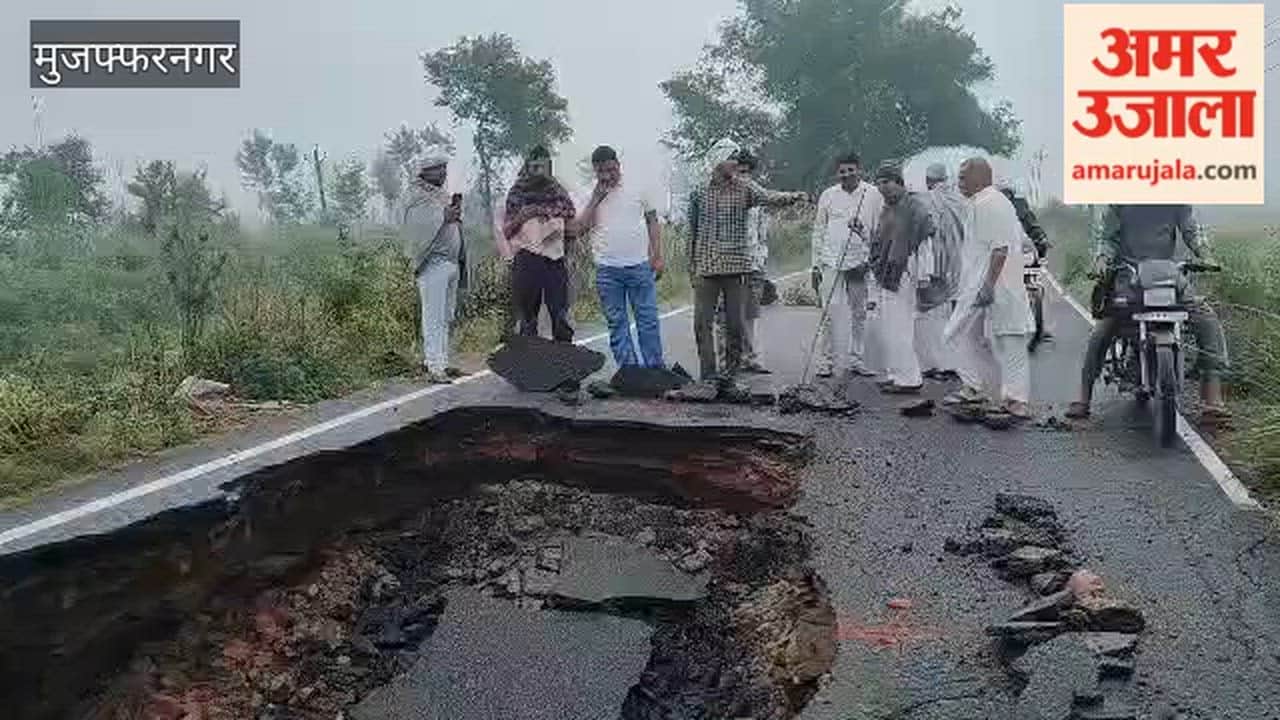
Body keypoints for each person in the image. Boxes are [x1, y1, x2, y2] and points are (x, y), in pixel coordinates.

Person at [1065, 204, 1230, 425]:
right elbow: (1106, 238)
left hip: (1167, 275)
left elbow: (1193, 231)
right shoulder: (1119, 202)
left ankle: (1212, 397)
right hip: (1128, 275)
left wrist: (1206, 255)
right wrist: (1102, 260)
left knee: (1206, 319)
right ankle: (1084, 397)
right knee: (1103, 329)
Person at [687, 138, 808, 384]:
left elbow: (769, 197)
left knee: (735, 326)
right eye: (731, 158)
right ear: (717, 160)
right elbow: (692, 231)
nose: (735, 163)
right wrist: (691, 267)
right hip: (706, 269)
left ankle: (730, 376)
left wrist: (795, 196)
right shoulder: (699, 192)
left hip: (736, 269)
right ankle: (708, 376)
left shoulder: (746, 188)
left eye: (736, 158)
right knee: (702, 325)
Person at [943, 157, 1035, 418]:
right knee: (962, 335)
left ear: (980, 178)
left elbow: (1000, 249)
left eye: (963, 177)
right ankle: (974, 388)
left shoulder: (991, 203)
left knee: (1010, 338)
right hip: (980, 282)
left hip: (996, 285)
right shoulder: (980, 203)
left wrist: (987, 285)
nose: (958, 182)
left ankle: (1015, 401)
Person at [574, 145, 666, 368]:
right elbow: (579, 229)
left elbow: (652, 221)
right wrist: (596, 198)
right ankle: (629, 370)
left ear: (618, 165)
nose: (608, 176)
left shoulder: (639, 186)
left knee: (648, 320)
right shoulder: (589, 193)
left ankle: (655, 367)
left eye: (611, 170)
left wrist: (658, 255)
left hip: (639, 266)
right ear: (595, 171)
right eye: (602, 172)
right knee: (617, 322)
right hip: (607, 269)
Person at [809, 152, 884, 380]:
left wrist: (870, 258)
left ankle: (856, 360)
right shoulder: (828, 195)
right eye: (842, 171)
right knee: (828, 312)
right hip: (831, 261)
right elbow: (819, 230)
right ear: (837, 173)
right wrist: (815, 265)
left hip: (860, 262)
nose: (847, 174)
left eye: (851, 170)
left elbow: (880, 227)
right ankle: (826, 361)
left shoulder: (872, 194)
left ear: (859, 170)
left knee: (859, 313)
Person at [499, 145, 578, 343]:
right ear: (528, 166)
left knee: (559, 314)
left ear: (549, 167)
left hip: (555, 258)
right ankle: (529, 363)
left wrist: (545, 213)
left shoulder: (558, 191)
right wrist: (523, 216)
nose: (538, 172)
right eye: (534, 167)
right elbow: (507, 231)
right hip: (527, 257)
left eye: (542, 167)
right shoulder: (517, 192)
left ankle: (565, 360)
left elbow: (570, 217)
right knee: (527, 318)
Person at [869, 160, 932, 394]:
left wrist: (924, 276)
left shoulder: (915, 207)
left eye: (886, 182)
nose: (882, 188)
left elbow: (926, 243)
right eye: (878, 184)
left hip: (906, 273)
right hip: (886, 273)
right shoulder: (888, 208)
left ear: (899, 182)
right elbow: (880, 242)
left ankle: (910, 378)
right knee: (888, 327)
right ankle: (895, 373)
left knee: (900, 327)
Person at [402, 155, 465, 384]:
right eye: (438, 169)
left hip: (450, 262)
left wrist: (452, 215)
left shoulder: (440, 196)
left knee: (446, 315)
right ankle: (433, 366)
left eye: (444, 168)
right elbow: (417, 228)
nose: (443, 173)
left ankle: (443, 363)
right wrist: (442, 215)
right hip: (432, 263)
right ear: (425, 172)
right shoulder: (416, 196)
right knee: (433, 316)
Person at [714, 148, 771, 374]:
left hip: (754, 262)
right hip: (727, 263)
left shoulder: (758, 198)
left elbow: (763, 232)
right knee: (725, 314)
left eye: (747, 172)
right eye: (739, 171)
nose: (743, 176)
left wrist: (761, 263)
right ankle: (727, 362)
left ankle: (752, 357)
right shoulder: (721, 195)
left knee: (750, 313)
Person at [917, 162, 966, 379]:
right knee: (955, 313)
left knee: (931, 313)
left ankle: (934, 364)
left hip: (935, 263)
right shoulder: (960, 199)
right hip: (961, 263)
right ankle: (954, 362)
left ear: (928, 181)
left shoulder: (927, 200)